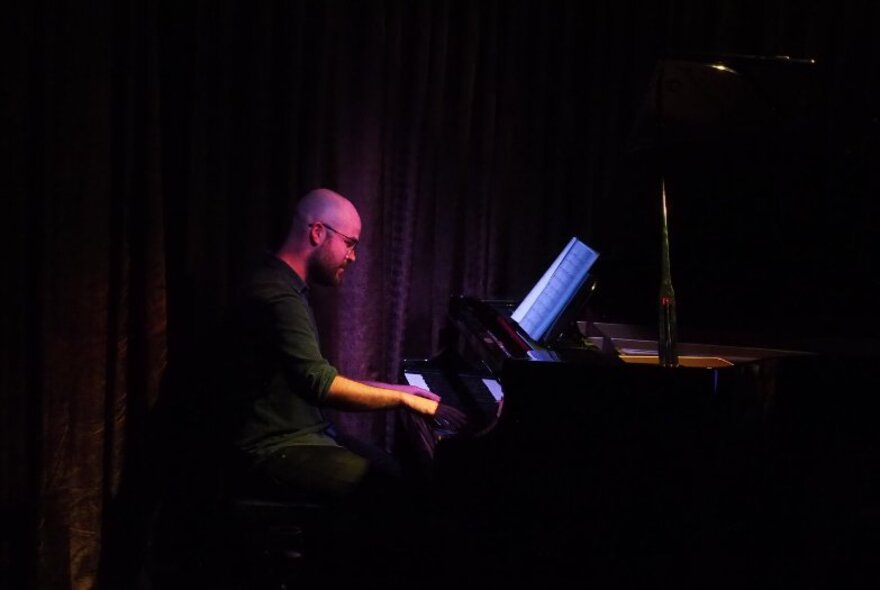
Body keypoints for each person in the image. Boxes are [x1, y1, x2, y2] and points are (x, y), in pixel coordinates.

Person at [220, 187, 464, 578]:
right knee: (393, 492)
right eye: (350, 243)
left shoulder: (276, 279)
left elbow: (313, 371)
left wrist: (398, 389)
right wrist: (406, 403)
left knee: (397, 474)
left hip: (303, 435)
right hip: (271, 449)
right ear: (318, 233)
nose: (353, 256)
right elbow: (318, 383)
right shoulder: (278, 296)